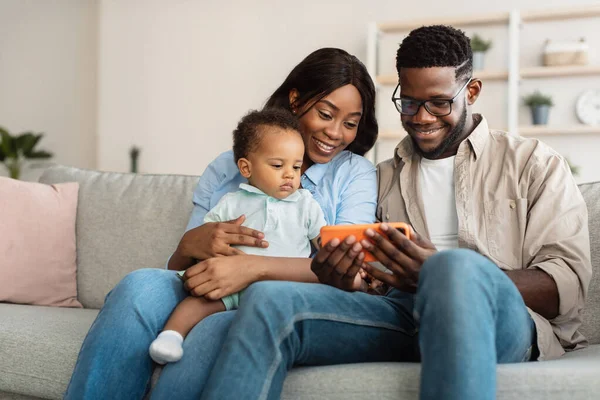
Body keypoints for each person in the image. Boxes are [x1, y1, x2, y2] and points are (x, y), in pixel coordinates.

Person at [197, 25, 592, 400]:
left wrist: (438, 275)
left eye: (439, 102)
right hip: (401, 317)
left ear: (470, 91)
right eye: (409, 102)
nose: (421, 117)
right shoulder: (382, 176)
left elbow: (567, 286)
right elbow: (371, 281)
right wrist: (341, 274)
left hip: (501, 319)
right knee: (269, 300)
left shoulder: (533, 163)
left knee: (452, 269)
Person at [64, 47, 379, 399]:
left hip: (276, 298)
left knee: (221, 325)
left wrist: (251, 268)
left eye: (350, 123)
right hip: (205, 285)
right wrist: (191, 244)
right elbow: (179, 267)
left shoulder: (354, 175)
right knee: (138, 285)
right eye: (325, 114)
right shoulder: (227, 166)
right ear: (295, 99)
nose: (336, 132)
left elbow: (351, 271)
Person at [149, 108, 327, 365]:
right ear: (246, 167)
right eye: (278, 165)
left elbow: (324, 240)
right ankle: (171, 336)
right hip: (230, 285)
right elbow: (207, 238)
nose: (290, 174)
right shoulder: (232, 202)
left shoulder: (305, 204)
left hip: (282, 288)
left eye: (297, 166)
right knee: (196, 303)